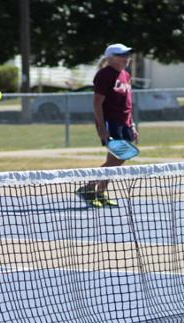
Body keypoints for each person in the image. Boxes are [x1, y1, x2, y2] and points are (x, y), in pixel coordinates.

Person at [77, 43, 138, 209]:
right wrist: (102, 129)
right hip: (111, 123)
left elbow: (128, 103)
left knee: (118, 160)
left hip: (125, 123)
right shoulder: (104, 75)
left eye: (127, 55)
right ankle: (89, 188)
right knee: (115, 159)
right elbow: (97, 103)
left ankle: (100, 191)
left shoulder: (125, 74)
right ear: (110, 58)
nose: (126, 58)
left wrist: (131, 125)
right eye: (122, 55)